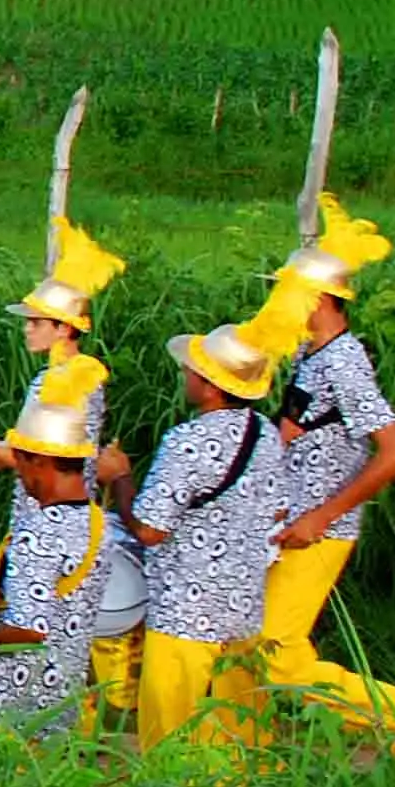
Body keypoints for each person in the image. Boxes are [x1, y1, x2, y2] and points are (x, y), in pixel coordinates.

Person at [265, 196, 395, 739]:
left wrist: (322, 515)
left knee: (276, 653)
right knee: (267, 647)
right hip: (292, 523)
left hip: (319, 530)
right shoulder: (311, 354)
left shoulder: (343, 362)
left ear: (319, 298)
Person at [124, 293, 307, 752]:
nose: (185, 374)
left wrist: (119, 478)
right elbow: (278, 508)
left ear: (209, 384)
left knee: (164, 739)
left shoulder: (186, 441)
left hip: (184, 611)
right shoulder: (265, 434)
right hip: (243, 607)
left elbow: (149, 530)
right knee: (241, 732)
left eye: (192, 369)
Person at [0, 352, 112, 729]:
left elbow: (29, 629)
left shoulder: (40, 529)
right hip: (61, 702)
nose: (21, 474)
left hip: (13, 705)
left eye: (21, 462)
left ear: (38, 461)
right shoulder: (96, 522)